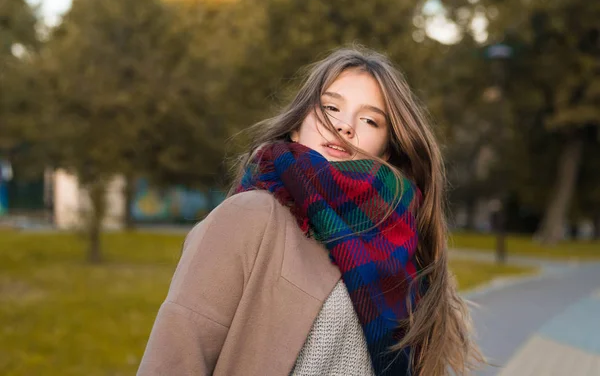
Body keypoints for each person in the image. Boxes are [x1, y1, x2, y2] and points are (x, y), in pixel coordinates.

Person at [138, 47, 484, 376]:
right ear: (296, 123)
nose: (344, 126)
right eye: (331, 108)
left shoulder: (400, 248)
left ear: (388, 150)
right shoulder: (249, 217)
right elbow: (174, 359)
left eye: (369, 120)